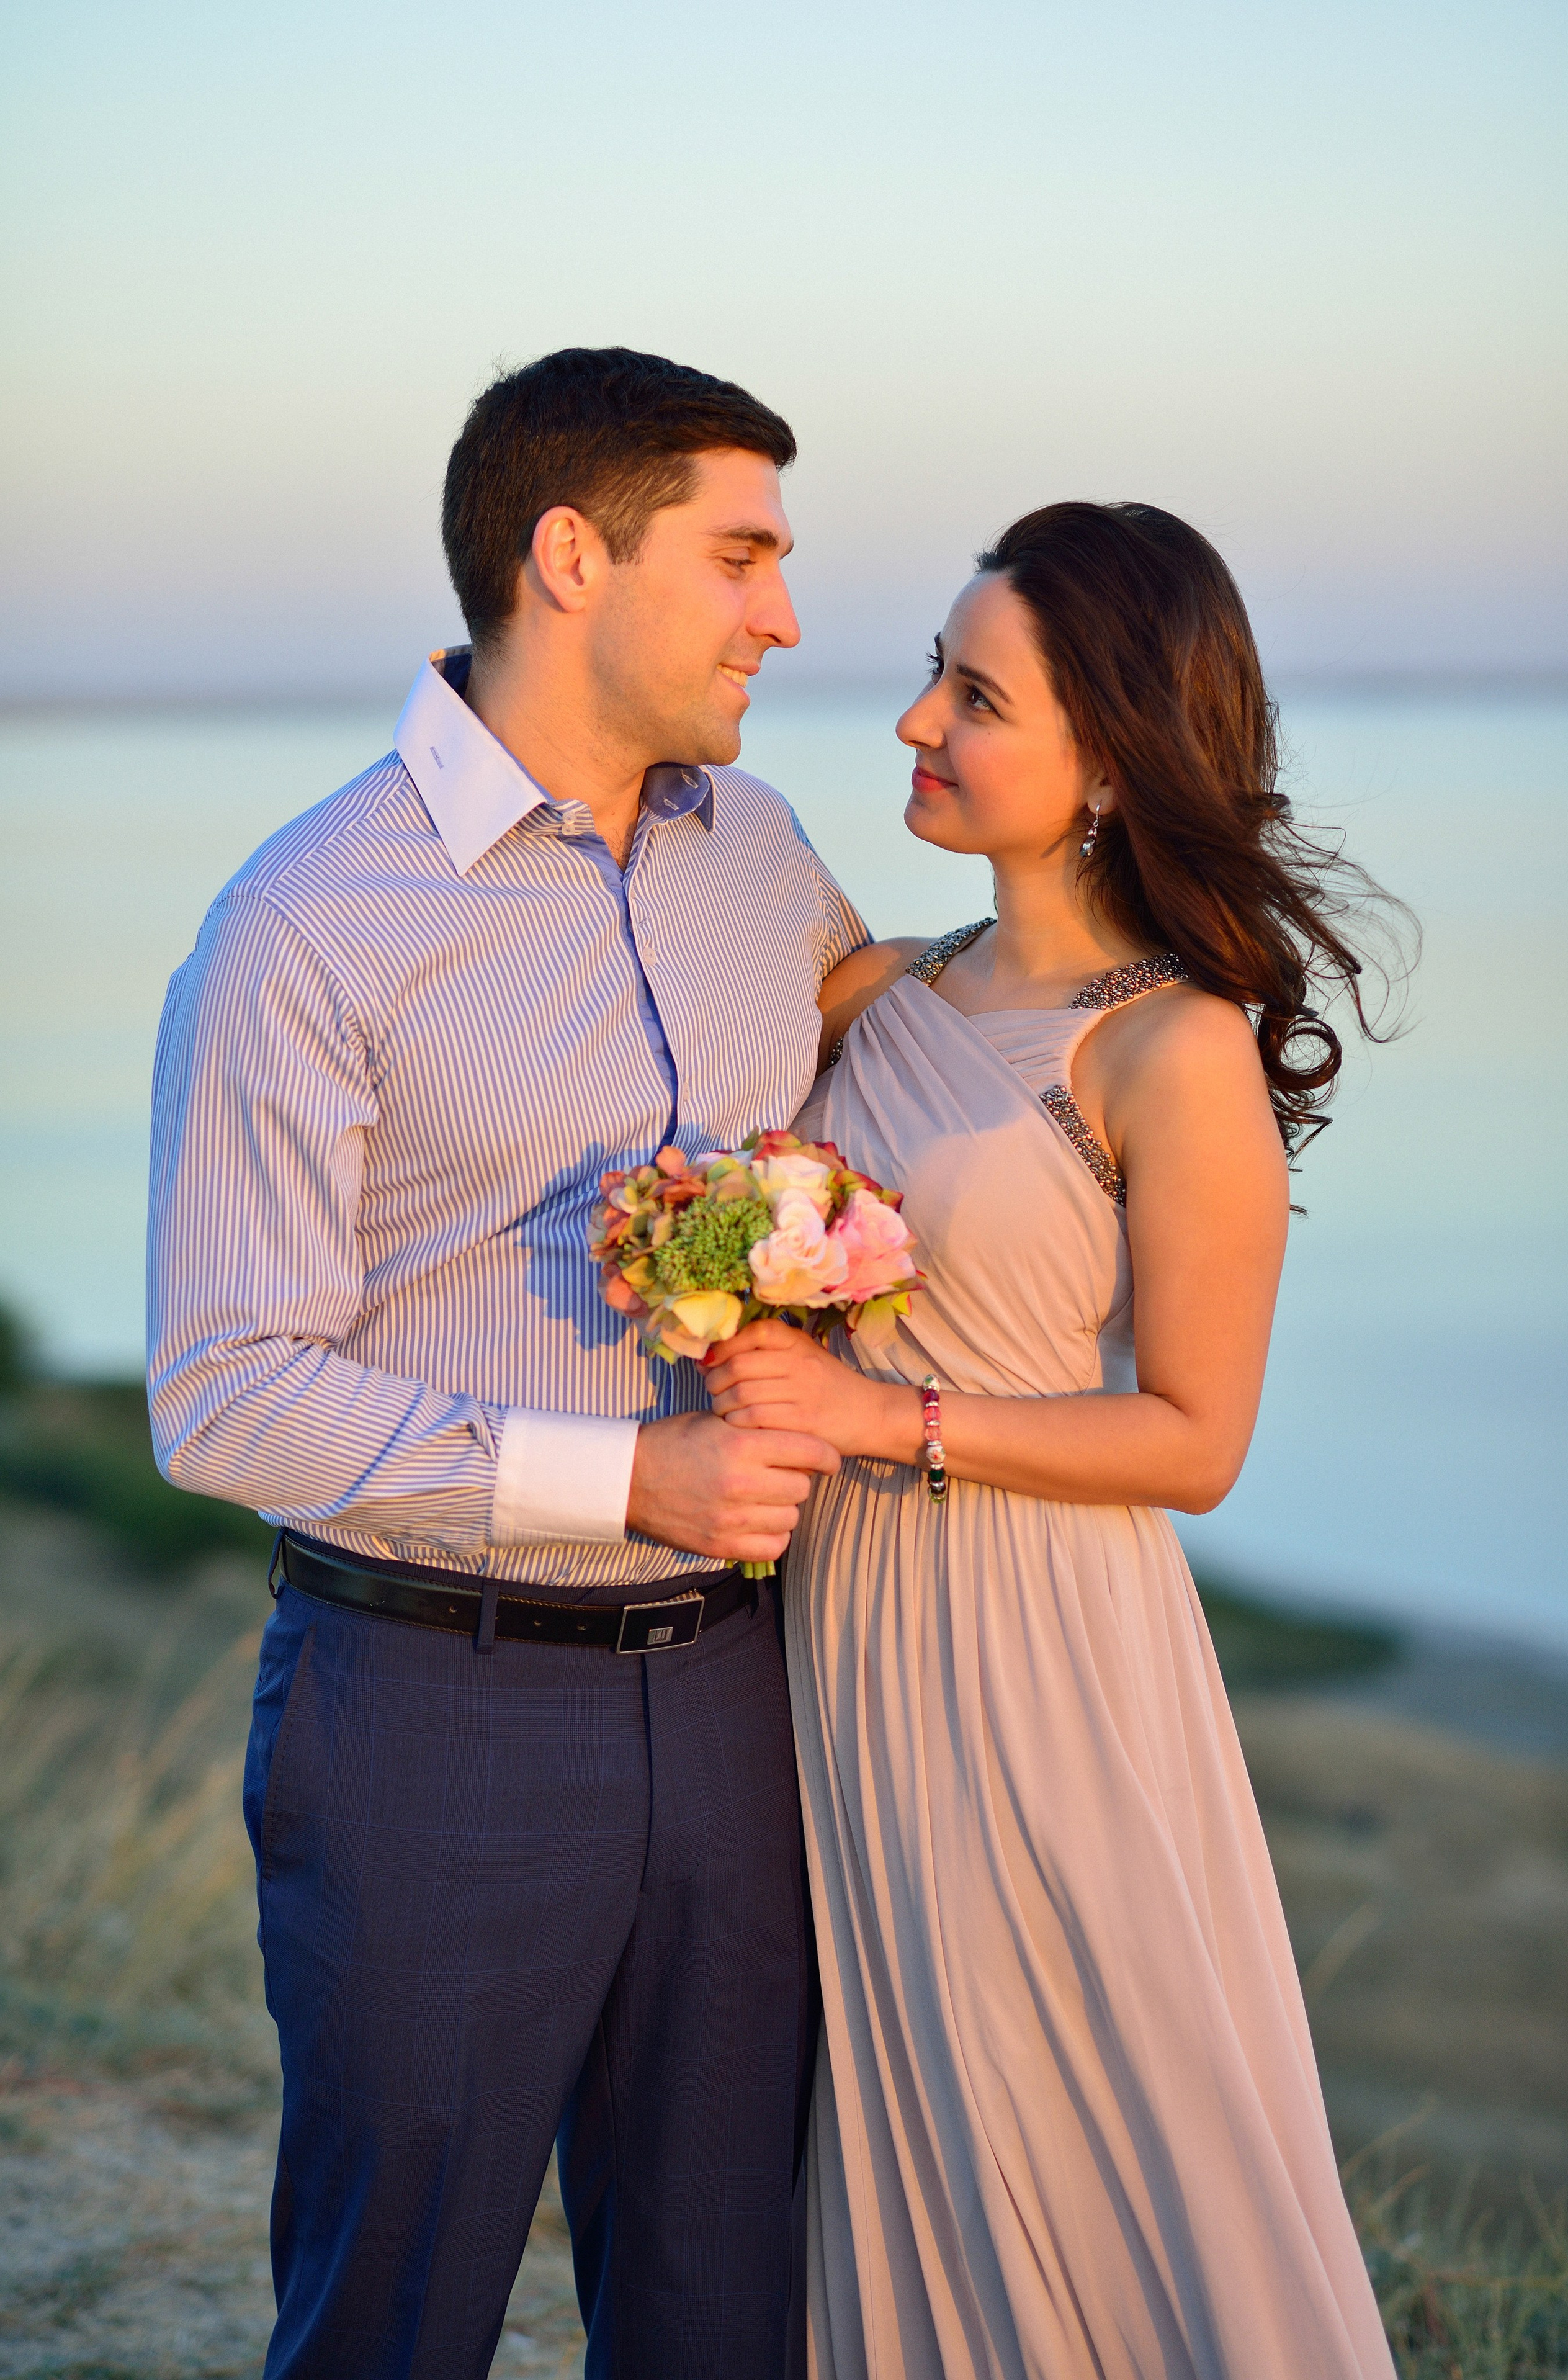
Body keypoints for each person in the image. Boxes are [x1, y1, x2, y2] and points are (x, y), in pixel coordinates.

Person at [146, 348, 865, 2380]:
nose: (783, 615)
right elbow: (223, 1385)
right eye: (741, 555)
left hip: (742, 1699)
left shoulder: (764, 850)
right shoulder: (308, 923)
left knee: (728, 2308)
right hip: (427, 1714)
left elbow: (892, 1026)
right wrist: (623, 1478)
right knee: (395, 2315)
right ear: (571, 555)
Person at [706, 501, 1400, 2378]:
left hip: (1039, 1649)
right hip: (838, 1639)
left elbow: (1196, 1440)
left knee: (1107, 2099)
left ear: (1109, 757)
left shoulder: (1173, 1051)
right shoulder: (895, 987)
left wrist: (876, 1413)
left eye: (976, 692)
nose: (919, 720)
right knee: (909, 2098)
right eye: (935, 670)